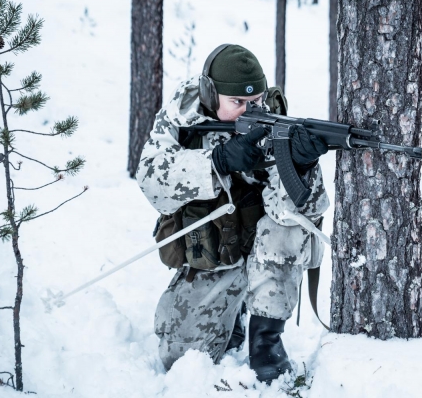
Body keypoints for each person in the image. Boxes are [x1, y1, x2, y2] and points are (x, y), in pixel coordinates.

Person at [136, 44, 329, 383]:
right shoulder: (183, 114)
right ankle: (232, 317)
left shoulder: (274, 121)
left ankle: (266, 340)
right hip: (213, 251)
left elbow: (295, 215)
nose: (246, 112)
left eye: (253, 103)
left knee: (285, 229)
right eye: (236, 103)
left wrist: (301, 165)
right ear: (212, 94)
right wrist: (217, 163)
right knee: (179, 356)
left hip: (264, 251)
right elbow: (150, 179)